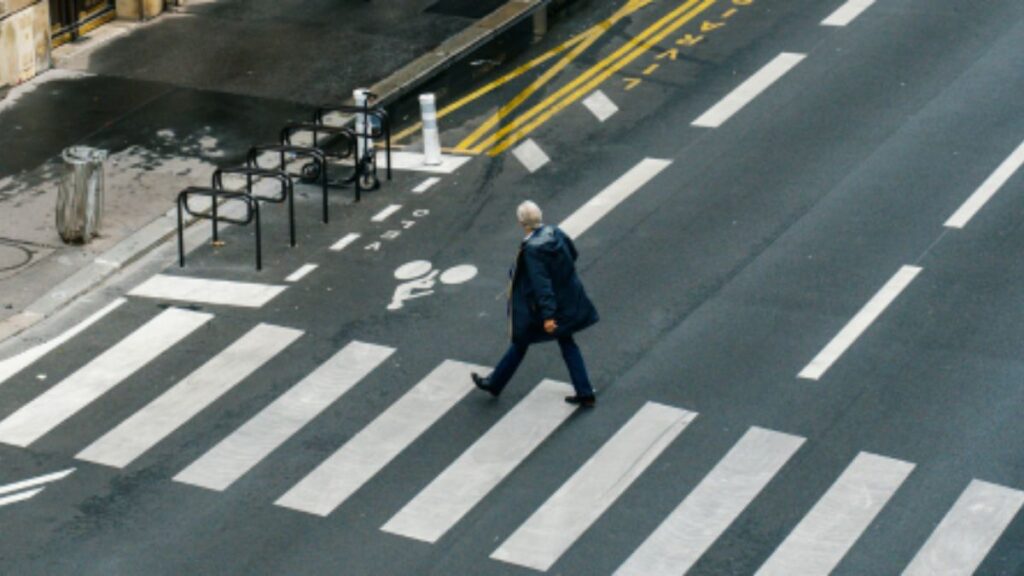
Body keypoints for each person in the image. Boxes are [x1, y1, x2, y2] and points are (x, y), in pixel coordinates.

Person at [472, 201, 599, 407]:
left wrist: (549, 316)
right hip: (567, 298)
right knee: (560, 342)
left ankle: (495, 382)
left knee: (526, 339)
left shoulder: (532, 248)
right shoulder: (556, 232)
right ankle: (495, 382)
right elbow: (572, 254)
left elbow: (542, 284)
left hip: (545, 306)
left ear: (522, 222)